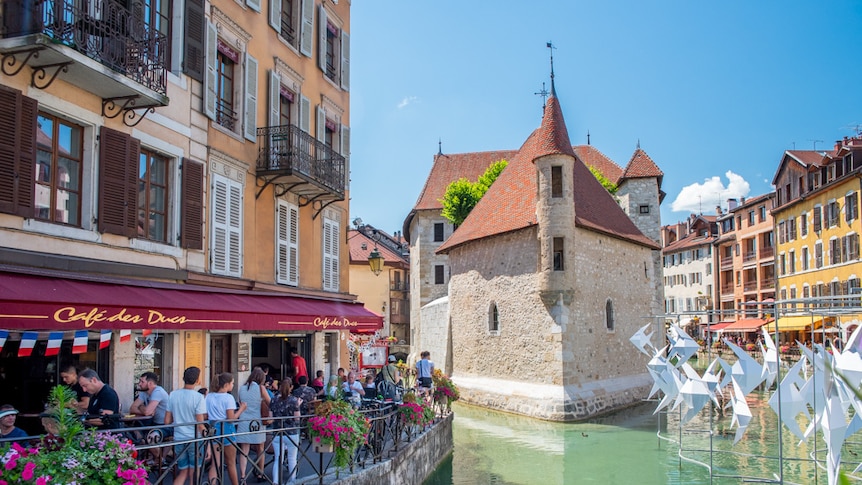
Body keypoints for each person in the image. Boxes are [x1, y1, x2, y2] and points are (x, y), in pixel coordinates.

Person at [165, 367, 207, 485]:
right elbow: (200, 423)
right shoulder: (198, 397)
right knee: (195, 472)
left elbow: (167, 421)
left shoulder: (173, 395)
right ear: (197, 380)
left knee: (183, 472)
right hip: (194, 439)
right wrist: (207, 437)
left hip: (179, 438)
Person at [206, 372, 246, 485]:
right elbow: (231, 418)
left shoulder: (209, 396)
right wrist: (241, 409)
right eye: (232, 383)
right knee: (231, 462)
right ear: (227, 384)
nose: (233, 385)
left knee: (215, 463)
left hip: (213, 428)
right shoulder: (228, 398)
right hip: (227, 429)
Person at [237, 367, 270, 483]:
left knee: (244, 450)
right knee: (260, 448)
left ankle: (242, 476)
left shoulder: (242, 388)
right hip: (257, 421)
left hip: (244, 420)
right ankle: (260, 473)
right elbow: (270, 401)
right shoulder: (261, 388)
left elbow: (241, 402)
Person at [269, 379, 301, 485]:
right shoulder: (293, 400)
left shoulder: (273, 400)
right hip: (291, 432)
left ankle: (275, 481)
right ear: (291, 387)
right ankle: (292, 481)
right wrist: (298, 405)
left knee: (278, 458)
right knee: (292, 458)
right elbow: (297, 418)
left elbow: (270, 418)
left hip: (277, 432)